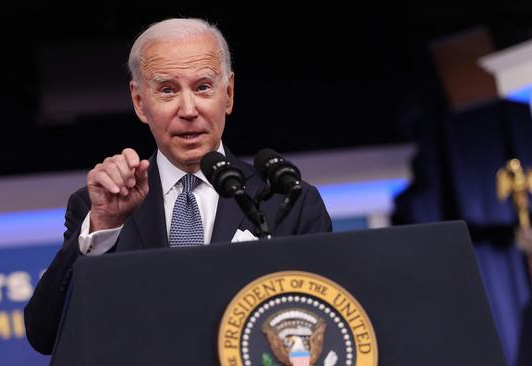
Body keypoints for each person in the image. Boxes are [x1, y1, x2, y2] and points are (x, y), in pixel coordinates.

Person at [23, 18, 332, 355]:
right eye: (167, 90)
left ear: (227, 94)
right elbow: (44, 334)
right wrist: (102, 229)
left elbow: (326, 322)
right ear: (140, 102)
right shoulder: (100, 208)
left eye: (202, 87)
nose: (188, 110)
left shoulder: (290, 201)